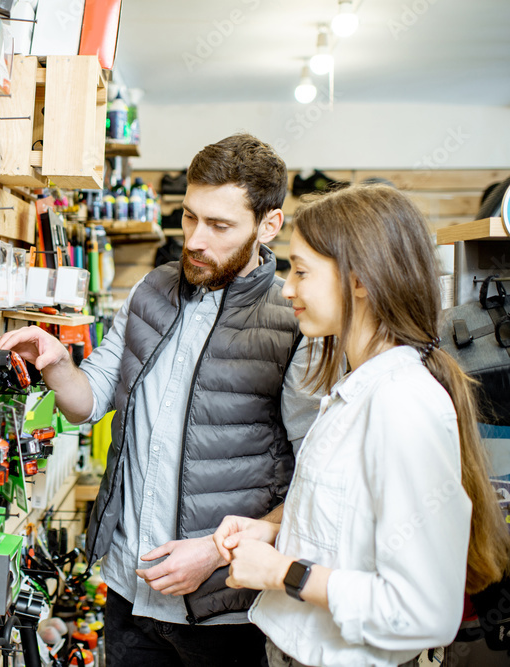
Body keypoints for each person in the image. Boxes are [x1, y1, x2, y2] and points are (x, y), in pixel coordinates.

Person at [0, 134, 320, 665]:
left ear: (269, 225)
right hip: (128, 593)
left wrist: (215, 551)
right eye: (189, 217)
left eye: (220, 226)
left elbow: (312, 481)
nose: (195, 240)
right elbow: (89, 400)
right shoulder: (150, 292)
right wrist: (55, 362)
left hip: (227, 611)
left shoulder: (293, 325)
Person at [213, 185, 510, 667]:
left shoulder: (403, 404)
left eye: (302, 271)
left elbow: (422, 612)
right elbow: (353, 525)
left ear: (361, 281)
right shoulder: (360, 390)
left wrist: (282, 571)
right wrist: (274, 533)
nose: (287, 287)